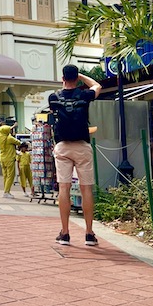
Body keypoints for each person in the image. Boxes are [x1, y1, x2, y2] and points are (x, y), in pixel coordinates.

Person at [48, 65, 102, 247]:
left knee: (64, 188)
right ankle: (88, 233)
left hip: (62, 147)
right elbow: (97, 86)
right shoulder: (84, 95)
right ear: (77, 79)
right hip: (82, 146)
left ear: (63, 77)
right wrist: (81, 76)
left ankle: (65, 233)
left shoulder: (53, 98)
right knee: (86, 189)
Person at [0, 121, 20, 198]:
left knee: (5, 176)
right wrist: (14, 126)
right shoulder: (9, 138)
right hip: (9, 159)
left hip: (2, 158)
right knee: (10, 176)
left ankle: (6, 190)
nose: (11, 131)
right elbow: (19, 143)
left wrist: (13, 126)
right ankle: (6, 192)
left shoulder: (0, 138)